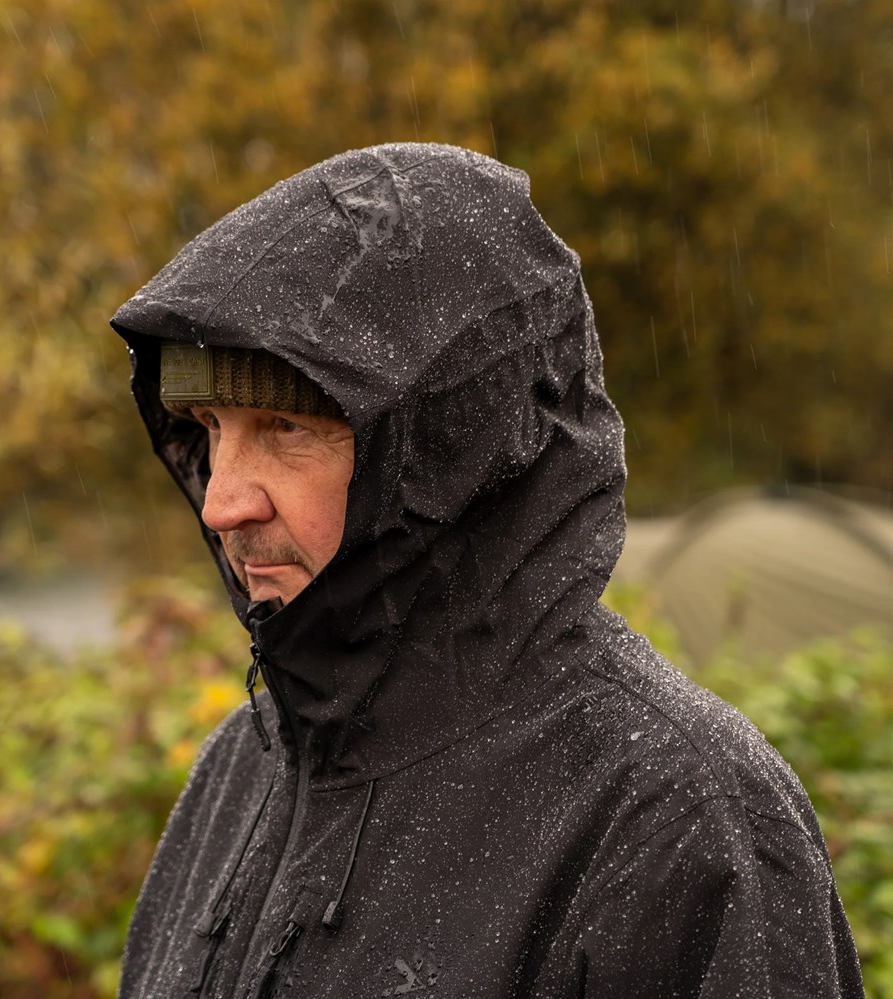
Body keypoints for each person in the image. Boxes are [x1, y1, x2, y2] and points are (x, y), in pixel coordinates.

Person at [110, 143, 864, 998]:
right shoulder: (241, 769)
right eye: (209, 428)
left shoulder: (675, 819)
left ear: (450, 451)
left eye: (286, 428)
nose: (222, 502)